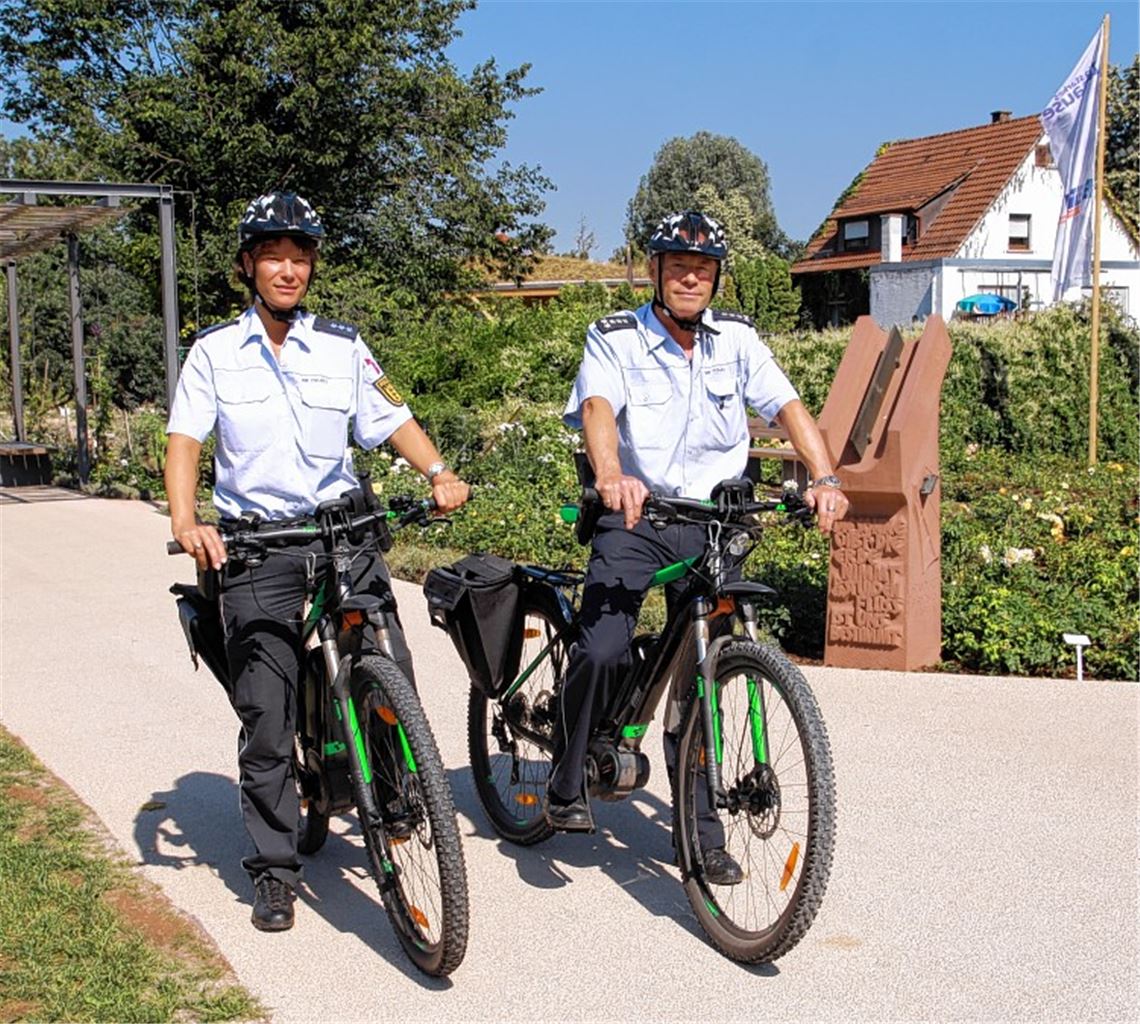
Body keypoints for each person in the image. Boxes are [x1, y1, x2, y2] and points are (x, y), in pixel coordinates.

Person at [165, 191, 469, 931]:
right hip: (257, 545)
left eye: (299, 257)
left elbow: (393, 418)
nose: (288, 269)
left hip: (342, 534)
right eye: (273, 256)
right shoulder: (214, 352)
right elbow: (185, 441)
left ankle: (397, 792)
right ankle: (274, 870)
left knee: (391, 667)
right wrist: (186, 520)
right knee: (266, 716)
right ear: (248, 264)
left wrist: (438, 472)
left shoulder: (342, 346)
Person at [548, 210, 849, 884]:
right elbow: (598, 410)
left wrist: (825, 478)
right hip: (637, 515)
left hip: (714, 522)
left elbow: (788, 408)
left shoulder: (736, 340)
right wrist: (610, 476)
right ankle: (566, 776)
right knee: (602, 649)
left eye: (703, 269)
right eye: (679, 266)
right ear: (656, 271)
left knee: (702, 679)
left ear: (716, 277)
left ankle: (701, 835)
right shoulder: (616, 337)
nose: (691, 278)